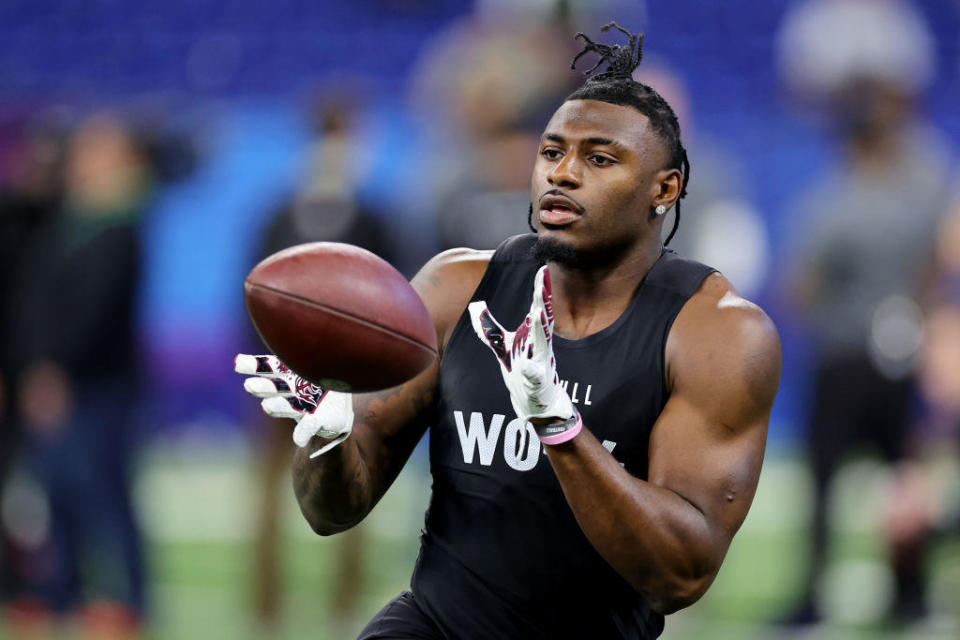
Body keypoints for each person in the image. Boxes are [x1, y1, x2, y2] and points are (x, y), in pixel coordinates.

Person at [235, 23, 780, 639]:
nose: (563, 173)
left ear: (665, 188)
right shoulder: (455, 289)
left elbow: (679, 576)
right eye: (551, 152)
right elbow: (331, 511)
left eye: (599, 158)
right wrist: (329, 436)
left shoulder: (717, 333)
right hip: (434, 625)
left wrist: (560, 428)